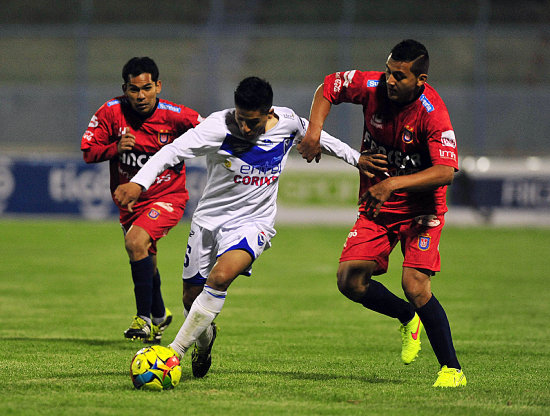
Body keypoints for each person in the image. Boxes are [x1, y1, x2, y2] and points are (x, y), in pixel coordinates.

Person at [114, 76, 362, 378]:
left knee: (219, 278)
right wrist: (139, 182)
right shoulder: (218, 127)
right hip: (208, 223)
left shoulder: (288, 122)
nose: (245, 128)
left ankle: (172, 354)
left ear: (269, 113)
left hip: (253, 223)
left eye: (252, 122)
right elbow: (170, 152)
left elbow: (318, 136)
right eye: (241, 120)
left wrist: (359, 160)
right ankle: (203, 343)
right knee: (191, 300)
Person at [297, 39, 466, 387]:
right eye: (388, 71)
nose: (389, 81)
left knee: (415, 285)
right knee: (349, 281)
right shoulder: (372, 85)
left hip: (421, 209)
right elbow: (327, 86)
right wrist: (314, 132)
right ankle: (407, 318)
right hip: (378, 205)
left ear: (420, 80)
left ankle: (452, 370)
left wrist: (393, 184)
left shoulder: (433, 113)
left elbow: (445, 172)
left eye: (399, 76)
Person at [81, 57, 202, 344]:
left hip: (167, 196)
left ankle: (143, 320)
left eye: (147, 88)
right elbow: (88, 151)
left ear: (158, 86)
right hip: (129, 201)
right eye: (134, 90)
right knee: (145, 257)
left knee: (136, 243)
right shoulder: (110, 112)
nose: (140, 96)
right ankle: (159, 315)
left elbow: (212, 132)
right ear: (125, 89)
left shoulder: (177, 116)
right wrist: (114, 147)